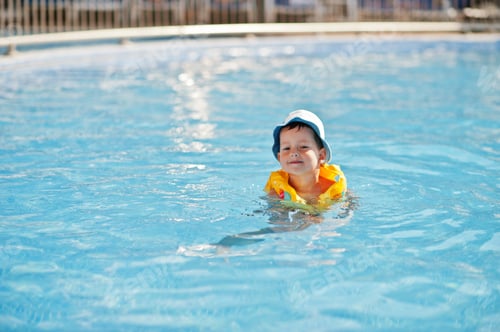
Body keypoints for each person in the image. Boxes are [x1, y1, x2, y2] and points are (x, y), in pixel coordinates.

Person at [264, 109, 347, 209]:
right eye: (286, 148)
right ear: (279, 157)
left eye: (303, 147)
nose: (293, 153)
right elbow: (277, 221)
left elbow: (346, 212)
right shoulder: (277, 194)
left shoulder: (334, 189)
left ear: (321, 155)